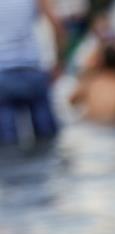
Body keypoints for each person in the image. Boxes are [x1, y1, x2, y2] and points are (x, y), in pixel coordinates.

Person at [0, 0, 65, 147]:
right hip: (33, 72)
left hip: (2, 77)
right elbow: (57, 24)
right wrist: (59, 62)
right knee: (49, 142)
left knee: (6, 147)